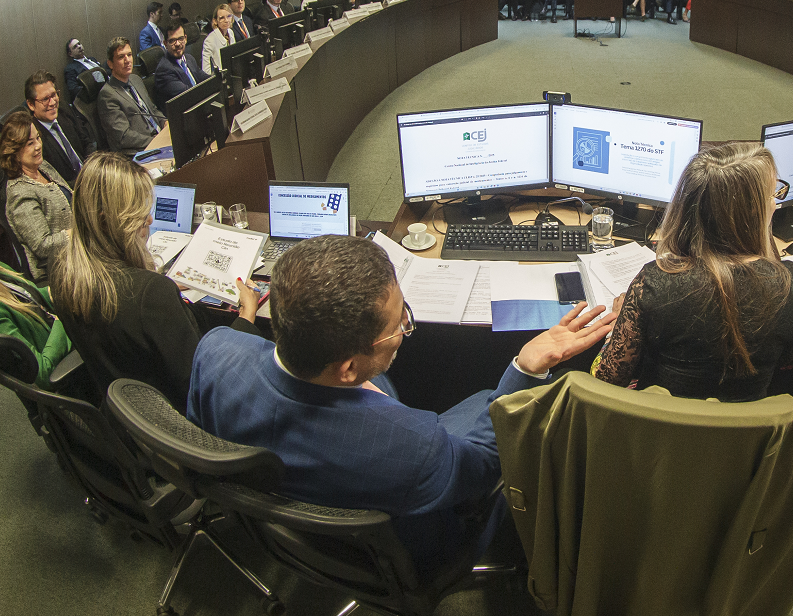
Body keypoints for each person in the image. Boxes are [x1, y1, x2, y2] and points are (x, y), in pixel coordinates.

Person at [187, 234, 616, 574]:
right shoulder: (412, 445)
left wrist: (244, 318)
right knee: (500, 408)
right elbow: (484, 461)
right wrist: (524, 369)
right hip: (407, 548)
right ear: (349, 369)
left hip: (293, 527)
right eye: (399, 325)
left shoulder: (214, 350)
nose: (404, 328)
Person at [592, 143, 793, 401]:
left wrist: (619, 321)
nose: (775, 203)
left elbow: (606, 378)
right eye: (772, 195)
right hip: (746, 434)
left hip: (661, 431)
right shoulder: (791, 283)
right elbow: (790, 362)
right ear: (755, 212)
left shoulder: (654, 282)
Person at [51, 152, 258, 410]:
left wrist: (164, 285)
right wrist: (247, 317)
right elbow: (207, 383)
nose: (149, 220)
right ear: (108, 222)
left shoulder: (63, 274)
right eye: (139, 215)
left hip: (138, 421)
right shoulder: (149, 294)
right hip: (189, 419)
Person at [0, 110, 71, 285]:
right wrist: (76, 233)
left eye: (38, 138)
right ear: (14, 151)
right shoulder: (20, 192)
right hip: (62, 269)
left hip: (79, 249)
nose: (38, 145)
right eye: (30, 143)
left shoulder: (42, 166)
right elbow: (43, 246)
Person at [24, 70, 95, 189]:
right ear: (31, 105)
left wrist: (92, 171)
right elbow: (52, 179)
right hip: (72, 190)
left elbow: (87, 141)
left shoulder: (64, 110)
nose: (52, 103)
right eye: (45, 99)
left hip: (90, 174)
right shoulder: (34, 137)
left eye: (53, 95)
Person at [96, 38, 162, 157]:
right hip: (140, 151)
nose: (127, 60)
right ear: (110, 63)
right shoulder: (107, 95)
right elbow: (123, 136)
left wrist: (165, 122)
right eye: (121, 57)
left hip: (159, 138)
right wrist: (156, 141)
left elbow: (153, 109)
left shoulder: (135, 79)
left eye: (129, 55)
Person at [152, 19, 207, 106]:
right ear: (165, 44)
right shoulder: (164, 70)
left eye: (180, 39)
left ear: (185, 39)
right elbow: (188, 95)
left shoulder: (189, 58)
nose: (177, 44)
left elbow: (205, 78)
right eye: (172, 40)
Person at [64, 38, 102, 103]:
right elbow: (73, 89)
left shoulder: (92, 59)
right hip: (96, 97)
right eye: (75, 47)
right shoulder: (71, 68)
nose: (79, 46)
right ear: (70, 54)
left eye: (79, 44)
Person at [200, 3, 234, 75]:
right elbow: (206, 71)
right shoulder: (209, 40)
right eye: (222, 18)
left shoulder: (230, 32)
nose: (226, 20)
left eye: (229, 16)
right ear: (215, 21)